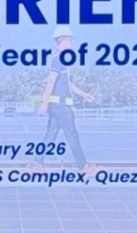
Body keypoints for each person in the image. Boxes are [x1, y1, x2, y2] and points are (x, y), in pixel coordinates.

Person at [31, 25, 95, 171]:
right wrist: (44, 103)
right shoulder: (58, 58)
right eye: (69, 40)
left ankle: (37, 162)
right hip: (60, 106)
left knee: (51, 135)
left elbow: (67, 83)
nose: (71, 43)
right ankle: (82, 165)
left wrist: (84, 94)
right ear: (62, 40)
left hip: (57, 106)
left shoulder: (62, 60)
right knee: (72, 134)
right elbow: (50, 81)